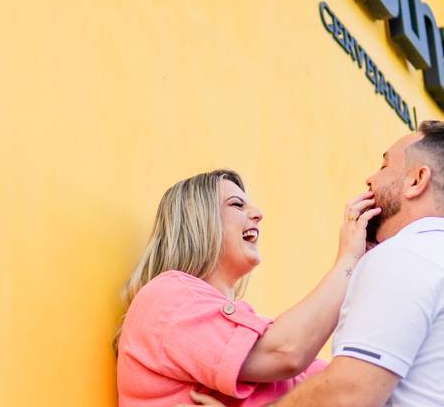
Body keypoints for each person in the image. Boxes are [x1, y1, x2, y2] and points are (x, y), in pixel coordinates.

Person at [180, 121, 444, 407]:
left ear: (417, 180)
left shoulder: (406, 256)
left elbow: (346, 393)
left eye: (385, 165)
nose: (370, 179)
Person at [116, 169, 381, 406]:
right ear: (199, 221)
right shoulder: (166, 298)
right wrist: (349, 259)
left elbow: (341, 386)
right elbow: (286, 351)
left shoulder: (248, 331)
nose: (257, 214)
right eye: (237, 204)